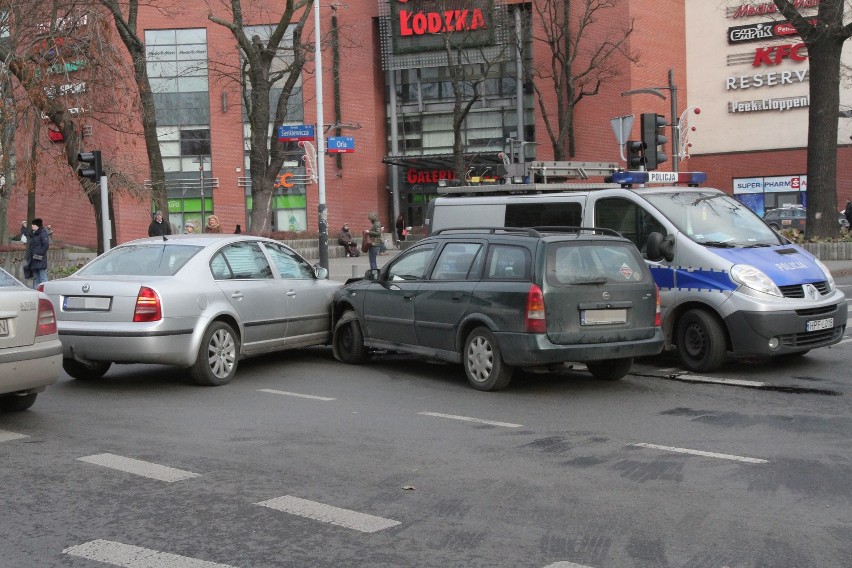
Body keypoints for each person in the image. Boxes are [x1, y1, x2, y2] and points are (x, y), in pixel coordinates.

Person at [26, 218, 50, 289]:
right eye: (32, 224)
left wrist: (38, 254)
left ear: (38, 225)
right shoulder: (33, 234)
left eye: (34, 225)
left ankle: (45, 291)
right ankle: (36, 293)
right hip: (33, 259)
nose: (32, 226)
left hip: (40, 259)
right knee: (36, 277)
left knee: (43, 277)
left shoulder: (43, 233)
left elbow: (45, 245)